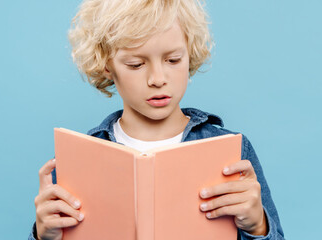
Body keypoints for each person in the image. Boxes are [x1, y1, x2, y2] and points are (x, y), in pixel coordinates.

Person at [29, 0, 284, 239]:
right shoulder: (80, 158)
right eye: (136, 64)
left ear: (189, 52)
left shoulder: (231, 150)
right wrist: (43, 235)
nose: (158, 78)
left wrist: (257, 225)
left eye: (173, 60)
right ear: (107, 65)